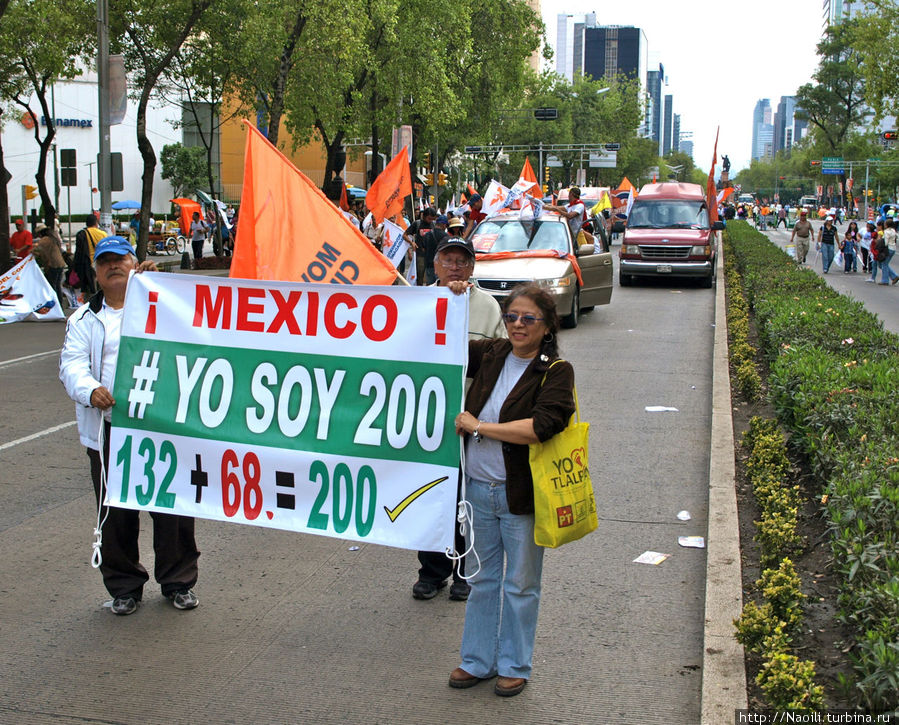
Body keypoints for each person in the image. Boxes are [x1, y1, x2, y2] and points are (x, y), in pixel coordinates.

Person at [59, 236, 201, 616]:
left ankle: (178, 582)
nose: (112, 267)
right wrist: (90, 390)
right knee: (115, 514)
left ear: (133, 263)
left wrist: (161, 284)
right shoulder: (83, 319)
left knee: (171, 508)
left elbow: (195, 326)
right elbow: (72, 365)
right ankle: (124, 587)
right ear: (96, 271)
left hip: (161, 427)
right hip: (109, 431)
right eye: (104, 262)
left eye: (119, 259)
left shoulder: (162, 303)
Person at [447, 283, 574, 698]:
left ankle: (515, 665)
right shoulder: (492, 353)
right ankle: (476, 661)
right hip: (477, 491)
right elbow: (442, 342)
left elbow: (540, 427)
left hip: (521, 496)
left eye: (528, 318)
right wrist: (450, 297)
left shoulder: (556, 372)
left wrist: (479, 427)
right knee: (481, 579)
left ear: (547, 326)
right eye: (512, 317)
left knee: (520, 584)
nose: (518, 325)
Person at [413, 234, 506, 603]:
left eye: (462, 261)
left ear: (472, 266)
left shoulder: (487, 306)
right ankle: (432, 573)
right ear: (436, 264)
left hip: (469, 420)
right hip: (428, 419)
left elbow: (500, 358)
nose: (455, 267)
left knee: (469, 498)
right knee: (431, 496)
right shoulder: (416, 302)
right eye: (448, 260)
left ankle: (465, 572)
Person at [34, 224, 67, 308]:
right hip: (60, 263)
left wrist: (31, 251)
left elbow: (36, 249)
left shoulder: (45, 240)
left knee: (53, 285)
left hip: (53, 264)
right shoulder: (53, 238)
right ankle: (59, 303)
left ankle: (55, 304)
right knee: (58, 285)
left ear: (40, 233)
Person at [73, 214, 106, 296]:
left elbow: (78, 252)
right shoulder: (103, 234)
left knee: (90, 289)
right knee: (102, 287)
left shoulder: (82, 234)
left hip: (88, 265)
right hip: (101, 263)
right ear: (96, 223)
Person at [403, 207, 436, 284]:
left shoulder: (434, 224)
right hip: (420, 255)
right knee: (419, 276)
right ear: (424, 216)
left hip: (431, 255)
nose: (430, 221)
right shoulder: (417, 224)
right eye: (429, 218)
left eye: (432, 219)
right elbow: (405, 235)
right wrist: (412, 243)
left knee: (431, 277)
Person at [419, 214, 448, 286]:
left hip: (429, 264)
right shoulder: (445, 236)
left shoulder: (427, 235)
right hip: (441, 266)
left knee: (430, 286)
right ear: (444, 225)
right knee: (440, 286)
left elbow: (423, 248)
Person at [879, 218, 898, 285]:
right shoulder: (893, 230)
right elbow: (896, 237)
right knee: (885, 264)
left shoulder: (886, 232)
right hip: (893, 248)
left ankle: (885, 280)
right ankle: (894, 276)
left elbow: (886, 242)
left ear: (886, 225)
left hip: (888, 248)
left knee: (884, 264)